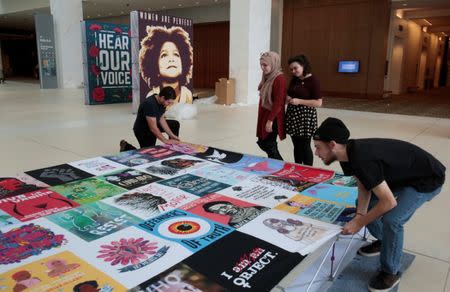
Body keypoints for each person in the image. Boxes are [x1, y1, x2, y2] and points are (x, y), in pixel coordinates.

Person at [312, 117, 446, 292]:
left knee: (393, 220)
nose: (316, 153)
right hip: (404, 175)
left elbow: (388, 202)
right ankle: (385, 242)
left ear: (332, 145)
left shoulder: (362, 158)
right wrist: (360, 215)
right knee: (365, 208)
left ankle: (390, 271)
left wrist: (359, 223)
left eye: (317, 147)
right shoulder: (347, 154)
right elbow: (364, 185)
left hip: (427, 178)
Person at [139, 26, 193, 105]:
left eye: (176, 54)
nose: (171, 59)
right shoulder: (152, 97)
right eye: (164, 55)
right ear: (154, 64)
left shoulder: (187, 94)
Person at [285, 54, 322, 166]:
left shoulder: (313, 81)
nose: (293, 71)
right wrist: (287, 97)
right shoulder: (294, 80)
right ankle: (298, 167)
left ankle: (308, 170)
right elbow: (289, 93)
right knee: (296, 145)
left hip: (306, 117)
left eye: (296, 68)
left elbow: (318, 103)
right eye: (291, 69)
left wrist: (299, 101)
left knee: (305, 145)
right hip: (293, 115)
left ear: (303, 66)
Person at [121, 86, 181, 151]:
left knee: (175, 124)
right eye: (168, 102)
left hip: (153, 124)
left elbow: (161, 119)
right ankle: (126, 147)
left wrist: (171, 135)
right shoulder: (150, 104)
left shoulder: (162, 102)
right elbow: (153, 128)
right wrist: (165, 141)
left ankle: (172, 147)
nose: (169, 104)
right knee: (149, 152)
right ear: (163, 97)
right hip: (143, 130)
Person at [256, 51, 286, 160]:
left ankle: (280, 165)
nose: (262, 68)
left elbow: (279, 102)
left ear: (273, 64)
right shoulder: (267, 76)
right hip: (265, 113)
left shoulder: (279, 78)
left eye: (265, 65)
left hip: (273, 116)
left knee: (268, 143)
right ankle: (274, 165)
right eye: (261, 65)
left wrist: (270, 120)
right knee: (263, 141)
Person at [203, 200, 267, 228]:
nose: (223, 210)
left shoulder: (255, 207)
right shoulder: (232, 223)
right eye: (217, 211)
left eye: (223, 207)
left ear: (230, 204)